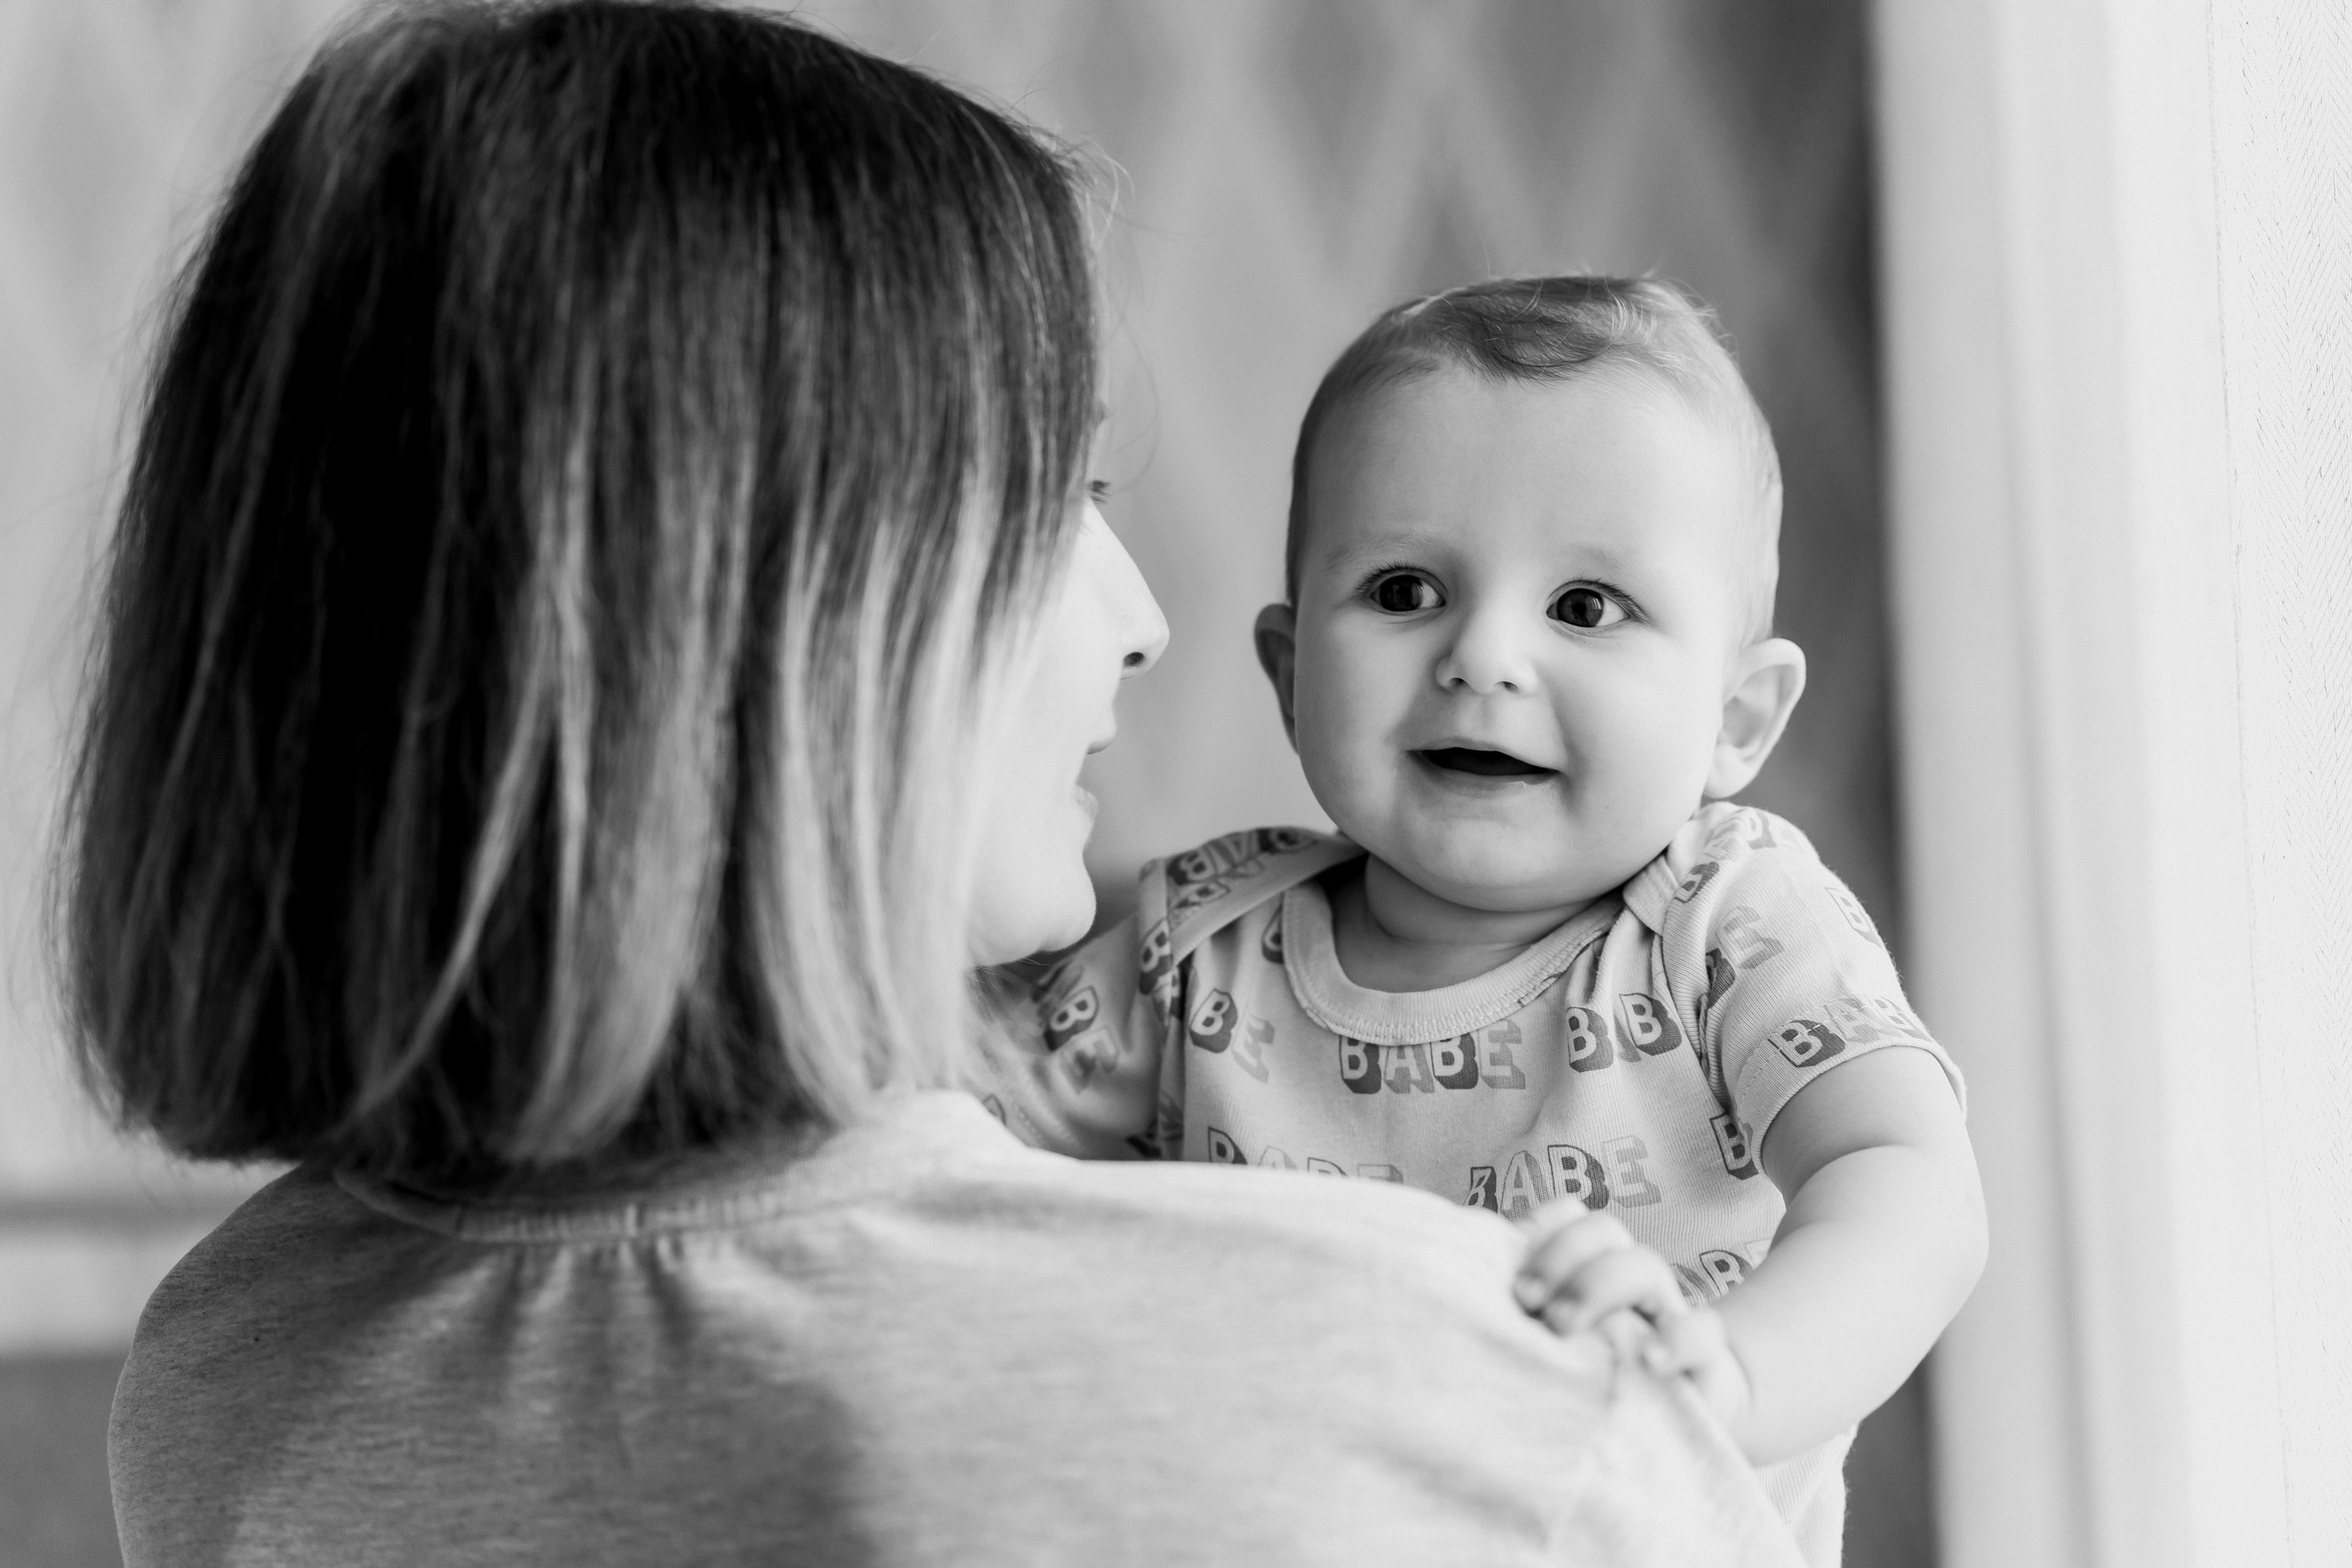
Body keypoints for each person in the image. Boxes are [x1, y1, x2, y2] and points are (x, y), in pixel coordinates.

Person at [60, 6, 1807, 1564]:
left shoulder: (229, 1365)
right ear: (766, 616)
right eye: (1057, 494)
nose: (1142, 620)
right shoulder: (1443, 1375)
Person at [985, 276, 1988, 1565]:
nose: (1483, 657)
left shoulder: (1726, 923)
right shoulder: (1195, 944)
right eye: (1405, 591)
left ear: (1737, 720)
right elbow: (956, 1163)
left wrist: (1729, 1376)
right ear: (1293, 680)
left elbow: (1910, 1192)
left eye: (1585, 609)